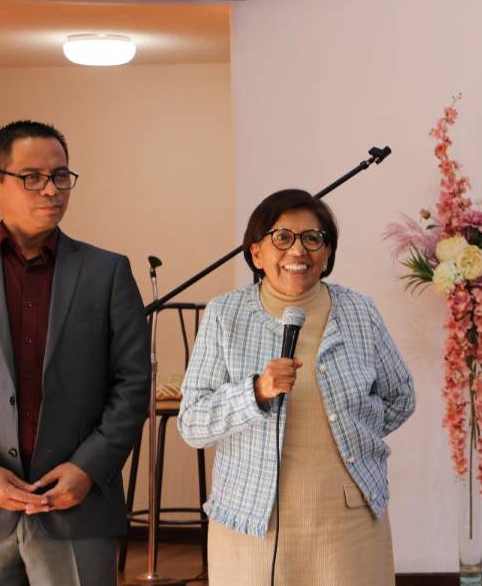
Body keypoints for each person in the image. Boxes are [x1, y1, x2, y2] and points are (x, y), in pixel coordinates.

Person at [0, 120, 150, 585]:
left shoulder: (108, 271)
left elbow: (133, 382)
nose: (51, 189)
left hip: (77, 506)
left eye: (60, 176)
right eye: (32, 177)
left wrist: (87, 469)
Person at [178, 188, 415, 585]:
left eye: (312, 238)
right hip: (251, 521)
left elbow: (400, 395)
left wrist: (353, 432)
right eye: (282, 237)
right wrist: (255, 392)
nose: (298, 250)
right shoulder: (225, 314)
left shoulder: (359, 311)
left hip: (348, 520)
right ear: (256, 253)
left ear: (327, 252)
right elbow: (192, 423)